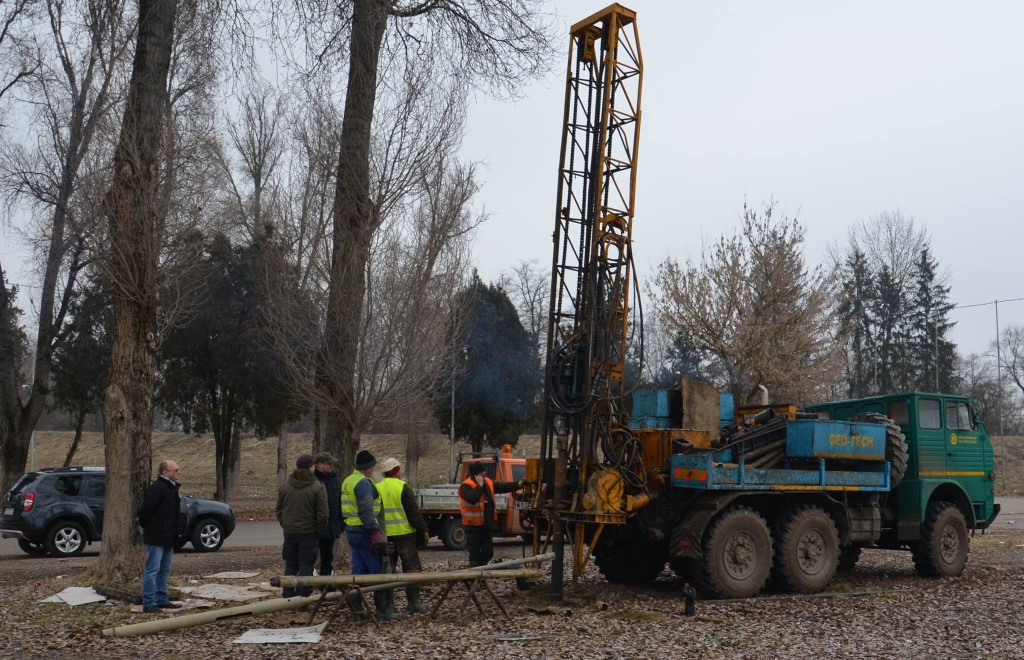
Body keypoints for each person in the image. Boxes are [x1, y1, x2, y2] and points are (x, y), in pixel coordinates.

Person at [341, 449, 400, 620]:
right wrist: (375, 534)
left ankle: (357, 611)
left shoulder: (348, 481)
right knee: (380, 572)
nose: (375, 470)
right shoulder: (363, 483)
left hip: (352, 531)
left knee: (358, 573)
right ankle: (384, 611)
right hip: (365, 532)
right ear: (368, 468)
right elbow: (366, 512)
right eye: (373, 467)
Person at [377, 457, 431, 614]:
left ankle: (388, 606)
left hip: (385, 537)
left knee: (387, 572)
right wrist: (423, 530)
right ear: (396, 471)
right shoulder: (402, 487)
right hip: (404, 535)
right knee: (412, 570)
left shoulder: (377, 487)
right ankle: (413, 604)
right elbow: (413, 514)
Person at [276, 453, 328, 598]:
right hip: (309, 533)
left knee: (290, 564)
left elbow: (279, 510)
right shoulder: (317, 488)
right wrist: (319, 532)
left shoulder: (285, 486)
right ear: (311, 468)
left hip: (290, 532)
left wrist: (286, 524)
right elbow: (323, 514)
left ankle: (287, 594)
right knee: (306, 564)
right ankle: (303, 595)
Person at [458, 462, 524, 568]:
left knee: (488, 553)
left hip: (486, 525)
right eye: (483, 473)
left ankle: (481, 571)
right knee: (474, 557)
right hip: (473, 527)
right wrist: (479, 486)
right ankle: (475, 577)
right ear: (476, 474)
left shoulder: (488, 482)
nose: (485, 474)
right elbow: (472, 498)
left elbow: (503, 486)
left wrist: (519, 484)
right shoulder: (465, 486)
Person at [138, 460, 184, 614]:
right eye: (175, 470)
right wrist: (149, 527)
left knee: (164, 570)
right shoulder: (157, 488)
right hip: (156, 536)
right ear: (165, 472)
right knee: (152, 569)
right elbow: (145, 510)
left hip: (168, 536)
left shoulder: (171, 488)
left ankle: (162, 599)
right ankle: (149, 602)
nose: (178, 472)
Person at [313, 452, 342, 580]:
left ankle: (326, 587)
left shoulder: (335, 480)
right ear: (319, 465)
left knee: (327, 559)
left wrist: (341, 525)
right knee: (310, 558)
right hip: (314, 527)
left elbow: (339, 503)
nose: (332, 466)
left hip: (330, 528)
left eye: (332, 464)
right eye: (329, 464)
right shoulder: (312, 480)